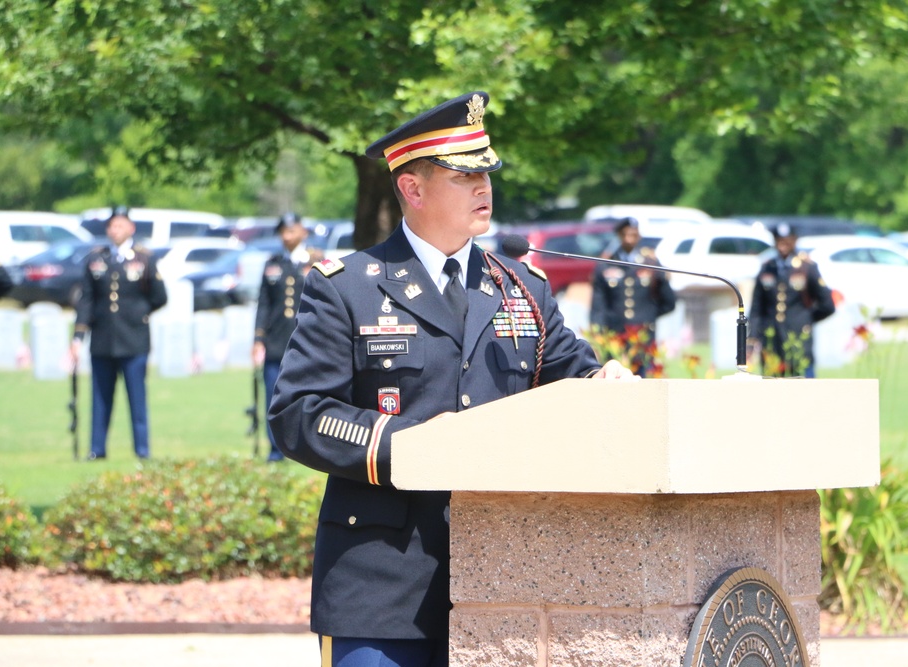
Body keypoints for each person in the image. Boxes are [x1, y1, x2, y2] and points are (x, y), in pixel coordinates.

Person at [268, 91, 634, 667]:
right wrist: (415, 446)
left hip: (505, 579)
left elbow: (572, 376)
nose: (484, 187)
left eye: (486, 172)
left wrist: (605, 381)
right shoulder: (348, 286)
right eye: (464, 176)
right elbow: (299, 414)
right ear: (412, 189)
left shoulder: (523, 288)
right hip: (381, 579)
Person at [70, 206, 168, 460]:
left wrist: (138, 313)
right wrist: (78, 336)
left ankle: (142, 450)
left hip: (134, 340)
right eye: (113, 225)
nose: (117, 230)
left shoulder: (144, 259)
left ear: (131, 228)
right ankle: (97, 449)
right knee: (100, 399)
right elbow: (86, 301)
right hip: (103, 341)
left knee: (136, 399)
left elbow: (159, 296)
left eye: (122, 225)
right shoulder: (96, 259)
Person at [252, 212, 315, 462]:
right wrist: (258, 338)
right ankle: (275, 449)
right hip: (276, 341)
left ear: (303, 232)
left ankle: (306, 448)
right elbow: (263, 304)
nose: (287, 235)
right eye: (283, 231)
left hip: (307, 341)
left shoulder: (315, 262)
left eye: (292, 230)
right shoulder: (273, 263)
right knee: (272, 396)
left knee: (306, 397)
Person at [748, 222, 836, 377]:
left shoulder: (807, 267)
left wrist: (805, 319)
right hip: (772, 343)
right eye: (779, 241)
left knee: (804, 392)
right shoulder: (767, 268)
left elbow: (827, 305)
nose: (783, 246)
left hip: (799, 342)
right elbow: (756, 309)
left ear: (794, 241)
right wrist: (753, 338)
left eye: (787, 241)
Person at [590, 217, 677, 336]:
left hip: (643, 333)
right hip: (615, 333)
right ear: (619, 236)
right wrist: (598, 331)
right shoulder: (606, 264)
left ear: (639, 236)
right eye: (625, 235)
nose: (629, 240)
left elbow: (668, 302)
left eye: (633, 235)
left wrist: (648, 316)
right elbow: (598, 305)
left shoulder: (650, 264)